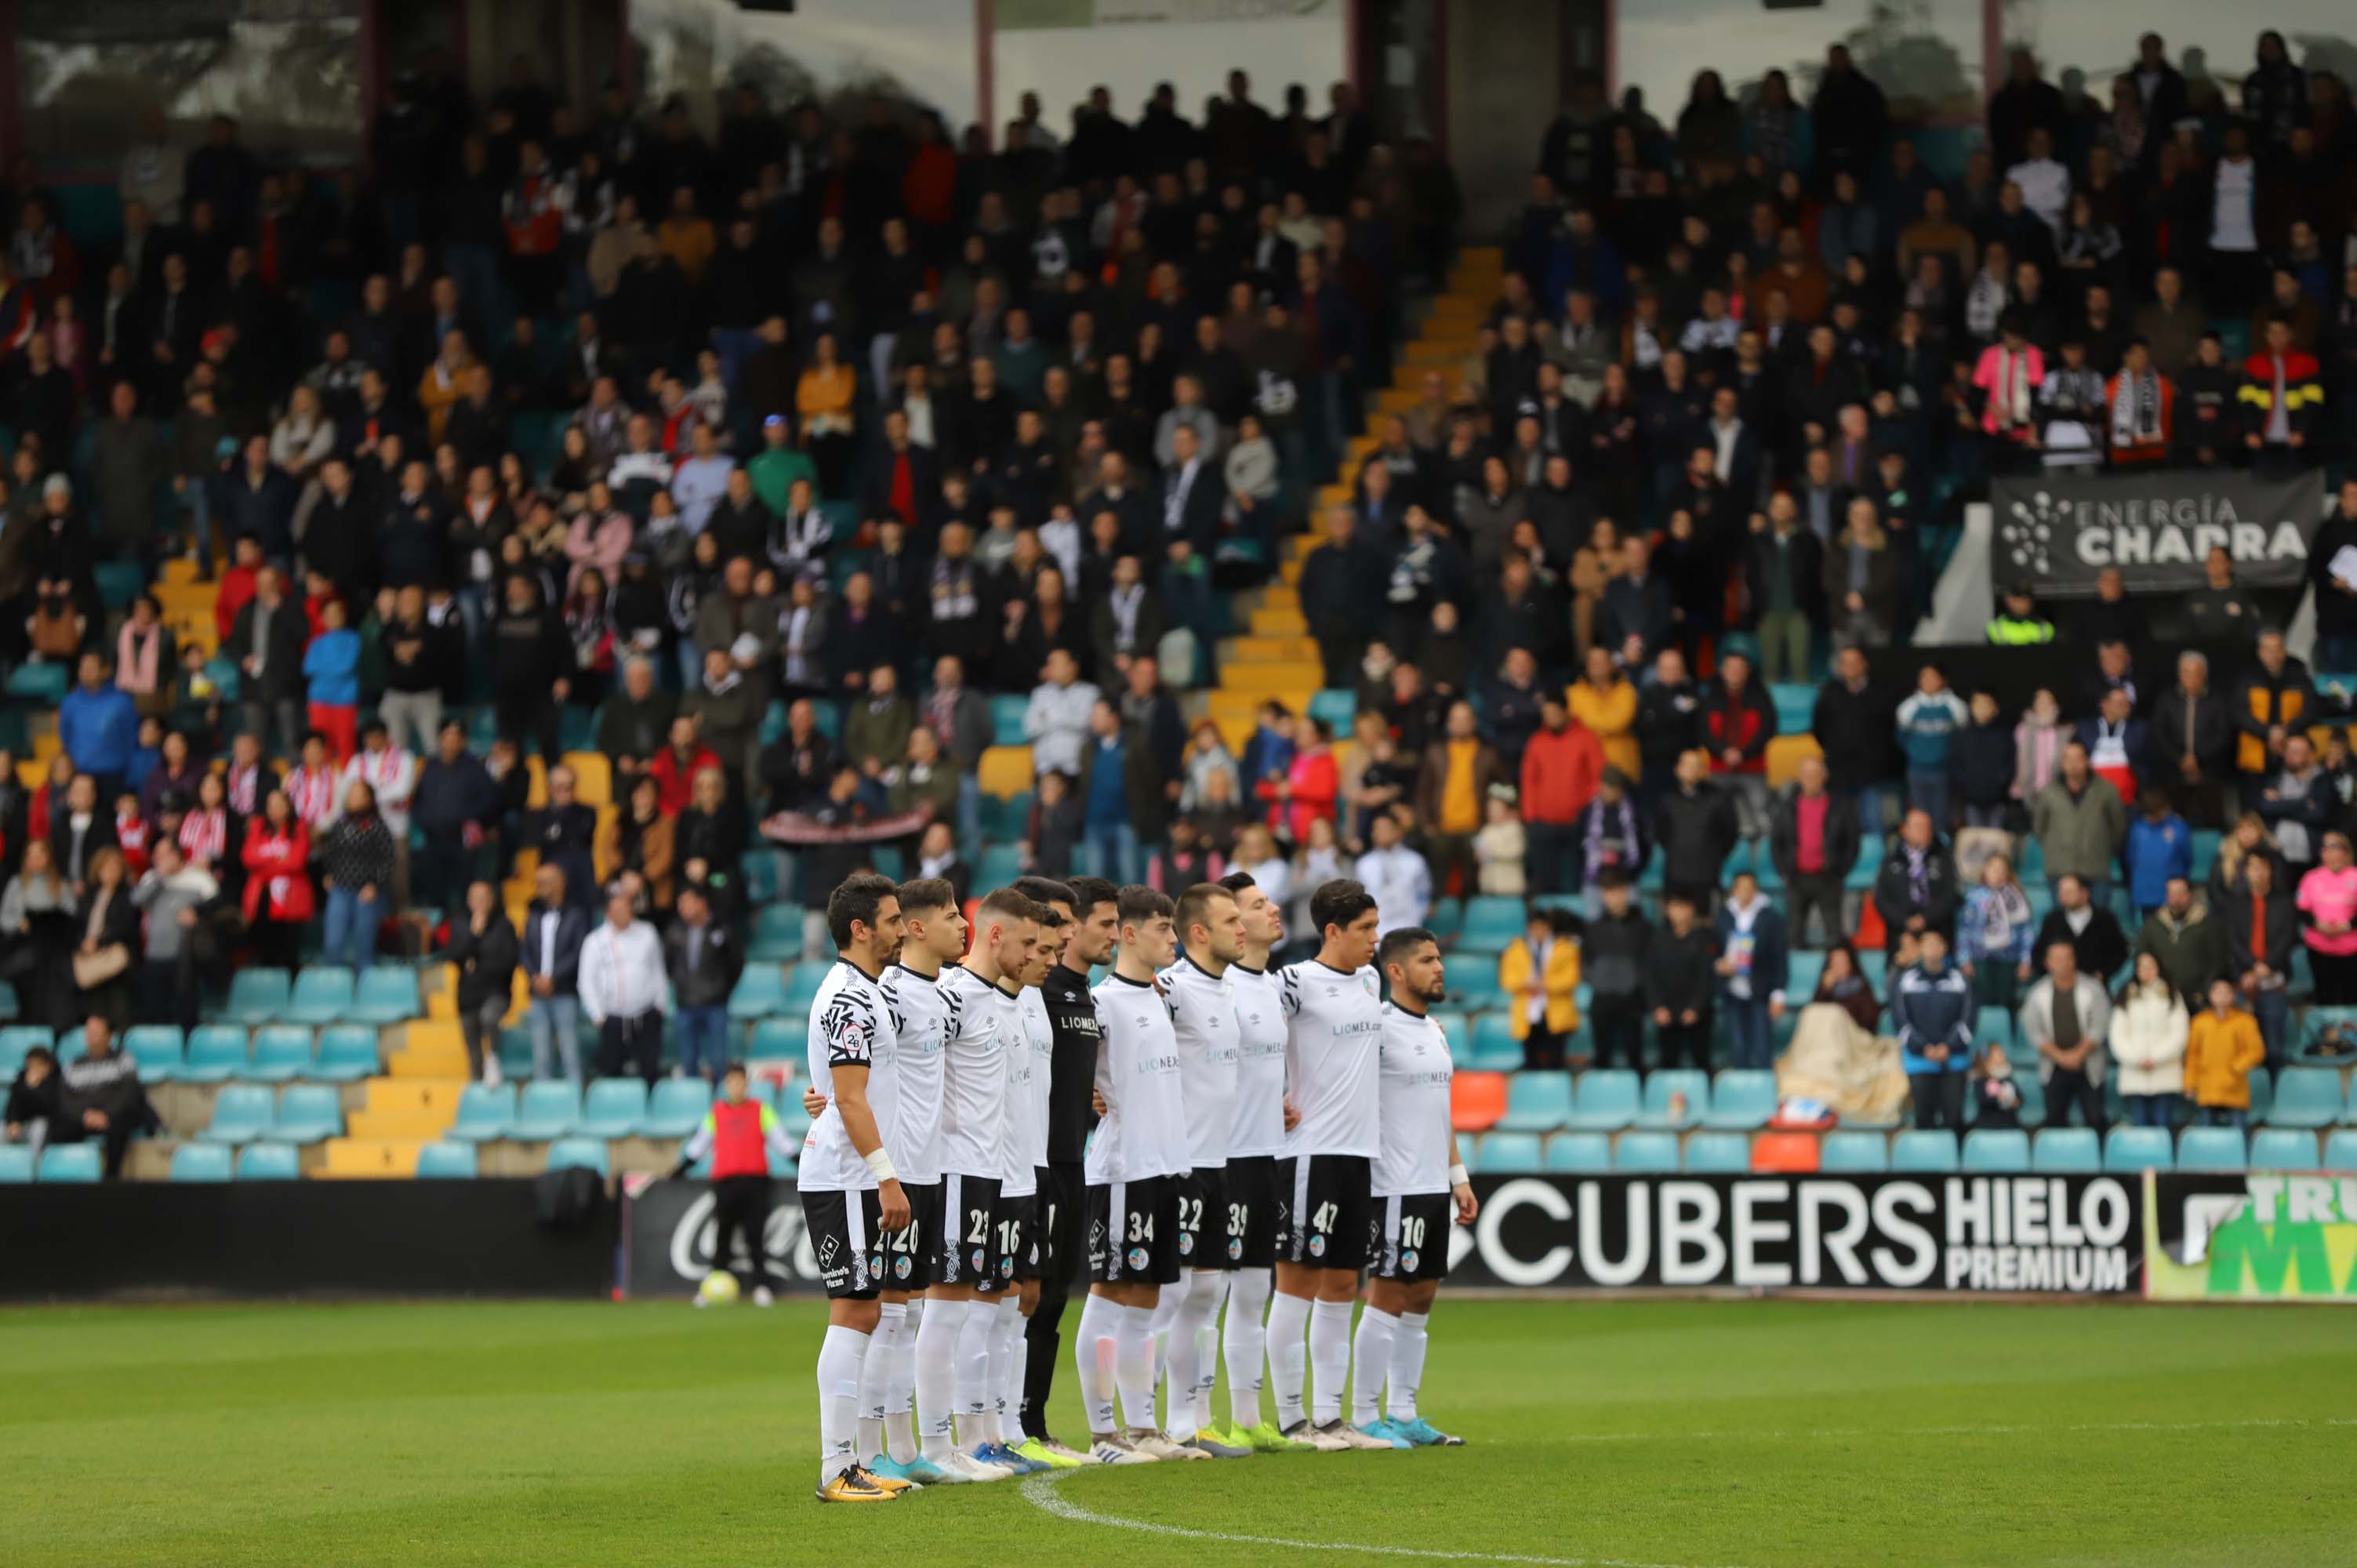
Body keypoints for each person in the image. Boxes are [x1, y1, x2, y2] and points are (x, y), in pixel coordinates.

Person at [921, 887, 1053, 1477]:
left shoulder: (1010, 1001)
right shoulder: (951, 997)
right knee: (950, 1313)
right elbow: (905, 1063)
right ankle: (934, 1445)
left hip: (1006, 1171)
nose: (1037, 955)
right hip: (959, 1171)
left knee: (994, 1308)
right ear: (995, 936)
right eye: (1029, 943)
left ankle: (980, 1436)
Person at [1263, 879, 1396, 1453]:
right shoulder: (1293, 982)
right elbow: (1250, 1033)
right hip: (1310, 1152)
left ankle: (1329, 1416)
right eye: (1365, 929)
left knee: (1344, 1282)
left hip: (1360, 1153)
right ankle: (1292, 1418)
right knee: (1296, 1282)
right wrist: (1269, 1100)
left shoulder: (1370, 980)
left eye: (1377, 926)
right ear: (1333, 931)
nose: (1375, 938)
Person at [793, 873, 913, 1504]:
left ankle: (853, 1462)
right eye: (893, 920)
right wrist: (886, 1176)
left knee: (866, 1309)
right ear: (860, 929)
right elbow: (849, 1097)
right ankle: (836, 1468)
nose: (902, 930)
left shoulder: (867, 992)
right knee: (853, 1311)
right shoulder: (846, 998)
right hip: (846, 1176)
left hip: (853, 1173)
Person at [1349, 925, 1476, 1448]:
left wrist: (1458, 1177)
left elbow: (1440, 1113)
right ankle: (1361, 1414)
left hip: (1430, 1183)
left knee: (1422, 1293)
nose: (1439, 967)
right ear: (1396, 972)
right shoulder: (1376, 1028)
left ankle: (1403, 1411)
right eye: (1427, 960)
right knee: (1387, 1292)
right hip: (1393, 1185)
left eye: (1439, 957)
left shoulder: (1436, 1031)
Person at [1016, 875, 1126, 1462]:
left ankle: (1033, 1422)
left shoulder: (1085, 993)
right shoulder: (1036, 988)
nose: (1062, 935)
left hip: (1070, 1162)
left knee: (1055, 1296)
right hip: (1028, 1164)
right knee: (1022, 1296)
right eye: (1100, 923)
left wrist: (1094, 1094)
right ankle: (1010, 1424)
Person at [1152, 882, 1255, 1458]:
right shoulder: (1172, 990)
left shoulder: (1226, 990)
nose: (1242, 929)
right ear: (1199, 932)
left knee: (1207, 1292)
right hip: (1181, 1164)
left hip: (1220, 1162)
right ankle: (1151, 1424)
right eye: (1231, 921)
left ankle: (1192, 1421)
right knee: (1173, 1294)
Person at [674, 1062, 799, 1305]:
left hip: (755, 1181)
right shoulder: (716, 1112)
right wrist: (679, 1169)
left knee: (755, 1236)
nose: (736, 1086)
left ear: (746, 1084)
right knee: (723, 1235)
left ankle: (761, 1286)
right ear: (726, 1085)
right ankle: (712, 1287)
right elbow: (699, 1145)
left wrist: (801, 1162)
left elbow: (782, 1142)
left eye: (740, 1081)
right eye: (731, 1082)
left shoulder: (761, 1110)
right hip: (726, 1182)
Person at [579, 887, 667, 1086]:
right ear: (608, 914)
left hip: (646, 1015)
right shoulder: (595, 941)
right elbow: (586, 981)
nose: (625, 914)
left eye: (627, 909)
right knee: (612, 1071)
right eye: (618, 910)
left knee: (650, 1069)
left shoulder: (647, 933)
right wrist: (597, 1014)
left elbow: (657, 970)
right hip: (613, 1019)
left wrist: (660, 1003)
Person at [1769, 755, 1858, 949]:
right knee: (1794, 937)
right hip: (1796, 877)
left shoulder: (1839, 807)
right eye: (1807, 775)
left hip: (1828, 877)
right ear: (1800, 778)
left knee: (1835, 936)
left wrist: (1839, 870)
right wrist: (1784, 870)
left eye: (1815, 774)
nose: (1811, 780)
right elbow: (1777, 842)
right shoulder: (1787, 808)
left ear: (1824, 776)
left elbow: (1852, 842)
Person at [55, 1014, 160, 1178]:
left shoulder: (124, 1060)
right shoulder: (73, 1065)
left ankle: (111, 1179)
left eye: (97, 1033)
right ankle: (68, 1178)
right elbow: (65, 1100)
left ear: (109, 1036)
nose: (92, 1038)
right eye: (89, 1033)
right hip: (84, 1117)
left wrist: (107, 1114)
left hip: (114, 1116)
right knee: (59, 1128)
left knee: (120, 1122)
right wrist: (84, 1116)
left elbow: (130, 1093)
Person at [2021, 939, 2111, 1131]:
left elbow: (2099, 1026)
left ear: (2074, 961)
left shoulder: (2093, 989)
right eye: (2057, 959)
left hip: (2088, 1062)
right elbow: (2034, 1032)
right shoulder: (2037, 993)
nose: (2063, 963)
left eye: (2067, 958)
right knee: (2054, 1120)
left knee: (2095, 1120)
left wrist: (2078, 1054)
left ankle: (2098, 1159)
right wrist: (2061, 1057)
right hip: (2054, 1064)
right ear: (2048, 963)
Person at [1891, 927, 1972, 1130]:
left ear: (1944, 948)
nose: (1932, 949)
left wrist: (1948, 1047)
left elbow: (1969, 1019)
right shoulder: (1905, 980)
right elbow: (1900, 1021)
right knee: (1923, 1119)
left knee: (1953, 1120)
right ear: (1920, 949)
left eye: (1937, 944)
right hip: (1919, 1060)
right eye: (1927, 944)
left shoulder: (1960, 979)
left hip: (1953, 1059)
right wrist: (1924, 1048)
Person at [664, 884, 741, 1089]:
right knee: (688, 1060)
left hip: (715, 1003)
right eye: (680, 903)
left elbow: (735, 963)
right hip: (685, 1004)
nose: (682, 907)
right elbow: (669, 965)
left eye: (687, 902)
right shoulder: (675, 931)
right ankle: (692, 1103)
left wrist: (722, 989)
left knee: (718, 1060)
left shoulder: (721, 929)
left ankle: (719, 1104)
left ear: (702, 902)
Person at [2031, 741, 2126, 906]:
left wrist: (2101, 847)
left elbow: (2118, 827)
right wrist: (2056, 847)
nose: (2073, 764)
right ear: (2062, 763)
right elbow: (2039, 828)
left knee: (2098, 923)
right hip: (2060, 868)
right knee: (2062, 925)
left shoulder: (2107, 790)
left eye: (2078, 758)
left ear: (2087, 760)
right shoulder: (2048, 792)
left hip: (2096, 867)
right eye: (2068, 759)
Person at [2224, 851, 2295, 1070]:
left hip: (2274, 980)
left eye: (2263, 866)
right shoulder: (2236, 904)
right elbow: (2233, 940)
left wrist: (2265, 967)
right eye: (2253, 867)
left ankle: (2275, 1095)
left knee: (2274, 1048)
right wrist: (2253, 968)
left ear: (2270, 871)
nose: (2259, 872)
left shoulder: (2284, 902)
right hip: (2243, 981)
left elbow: (2288, 938)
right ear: (2245, 872)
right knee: (2238, 1049)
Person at [444, 879, 518, 1084]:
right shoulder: (460, 923)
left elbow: (508, 961)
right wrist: (474, 936)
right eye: (474, 898)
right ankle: (477, 1088)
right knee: (472, 1051)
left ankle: (493, 1058)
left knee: (489, 1017)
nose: (479, 902)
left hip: (496, 991)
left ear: (492, 900)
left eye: (483, 898)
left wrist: (476, 964)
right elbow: (454, 954)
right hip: (467, 996)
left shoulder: (504, 925)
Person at [520, 863, 590, 1083]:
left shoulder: (576, 915)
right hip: (538, 993)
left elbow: (578, 951)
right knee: (541, 1055)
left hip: (565, 991)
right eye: (537, 881)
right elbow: (525, 950)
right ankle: (544, 1105)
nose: (539, 886)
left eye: (545, 881)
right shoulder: (533, 914)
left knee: (570, 1052)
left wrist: (554, 977)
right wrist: (535, 977)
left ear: (560, 883)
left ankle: (575, 1102)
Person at [1713, 870, 1788, 1071]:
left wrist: (1778, 993)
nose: (1745, 892)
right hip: (1733, 990)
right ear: (1733, 891)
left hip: (1760, 990)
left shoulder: (1771, 919)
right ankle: (1742, 1090)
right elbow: (1714, 951)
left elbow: (1779, 957)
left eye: (1750, 887)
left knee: (1763, 1044)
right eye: (1741, 887)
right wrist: (1719, 965)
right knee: (1738, 1044)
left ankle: (1764, 1089)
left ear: (1756, 891)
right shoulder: (1723, 918)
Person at [2109, 952, 2189, 1129]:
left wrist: (2155, 1058)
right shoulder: (2126, 995)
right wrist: (2138, 1059)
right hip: (2135, 1073)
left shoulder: (2172, 995)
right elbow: (2117, 1036)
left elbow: (2179, 1035)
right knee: (2140, 1126)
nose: (2146, 971)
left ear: (2158, 968)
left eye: (2150, 966)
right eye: (2141, 966)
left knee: (2163, 1124)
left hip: (2165, 1072)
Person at [1644, 890, 1718, 1073]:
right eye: (1676, 907)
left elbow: (1706, 977)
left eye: (1685, 907)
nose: (1680, 913)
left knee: (1702, 1061)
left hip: (1698, 1013)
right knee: (1667, 1062)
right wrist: (1658, 1006)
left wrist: (1695, 1007)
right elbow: (1649, 975)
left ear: (1692, 910)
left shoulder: (1704, 939)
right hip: (1666, 1012)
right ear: (1667, 910)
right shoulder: (1656, 939)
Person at [1499, 909, 1580, 1072]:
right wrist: (1526, 983)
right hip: (1528, 1012)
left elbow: (1571, 979)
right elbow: (1507, 980)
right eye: (1534, 928)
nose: (1538, 932)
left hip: (1556, 1010)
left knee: (1557, 1062)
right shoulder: (1515, 950)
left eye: (1542, 927)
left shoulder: (1566, 948)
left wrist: (1545, 985)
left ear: (1549, 928)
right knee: (1531, 1062)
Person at [1872, 808, 1961, 952]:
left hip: (1938, 933)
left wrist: (1926, 919)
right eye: (1918, 826)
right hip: (1899, 936)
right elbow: (1881, 899)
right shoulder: (1891, 859)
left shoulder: (1944, 857)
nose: (1924, 831)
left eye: (1927, 827)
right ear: (1904, 830)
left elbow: (1952, 894)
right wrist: (1904, 921)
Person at [2184, 977, 2266, 1132]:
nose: (2221, 996)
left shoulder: (2245, 1021)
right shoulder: (2200, 1022)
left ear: (2232, 996)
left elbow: (2257, 1051)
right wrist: (2190, 1084)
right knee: (2206, 1133)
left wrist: (2236, 1067)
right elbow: (2193, 1056)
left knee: (2239, 1132)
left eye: (2226, 992)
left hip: (2234, 1086)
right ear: (2211, 996)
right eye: (2217, 992)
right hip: (2207, 1086)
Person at [2134, 877, 2224, 1010]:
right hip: (2163, 999)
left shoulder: (2208, 923)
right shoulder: (2154, 924)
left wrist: (2205, 990)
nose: (2176, 899)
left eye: (2181, 893)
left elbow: (2217, 960)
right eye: (2172, 894)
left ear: (2190, 895)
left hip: (2199, 999)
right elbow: (2141, 954)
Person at [2295, 831, 2357, 1005]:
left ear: (2345, 851)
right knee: (2324, 997)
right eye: (2325, 848)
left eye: (2334, 847)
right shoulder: (2310, 878)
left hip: (2351, 950)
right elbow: (2301, 910)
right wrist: (2317, 924)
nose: (2329, 852)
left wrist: (2347, 926)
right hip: (2319, 949)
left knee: (2351, 997)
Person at [2033, 873, 2130, 982]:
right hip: (2059, 987)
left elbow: (2120, 952)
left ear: (2084, 893)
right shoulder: (2052, 920)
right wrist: (2051, 976)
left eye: (2069, 891)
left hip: (2096, 987)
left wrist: (2104, 974)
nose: (2063, 895)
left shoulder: (2105, 919)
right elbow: (2038, 953)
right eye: (2061, 891)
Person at [1812, 941, 1881, 1032]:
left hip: (1853, 1035)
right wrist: (1825, 989)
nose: (1838, 967)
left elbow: (1869, 1021)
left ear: (1850, 964)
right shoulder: (1825, 988)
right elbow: (1815, 1016)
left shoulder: (1861, 987)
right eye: (1834, 962)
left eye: (1842, 962)